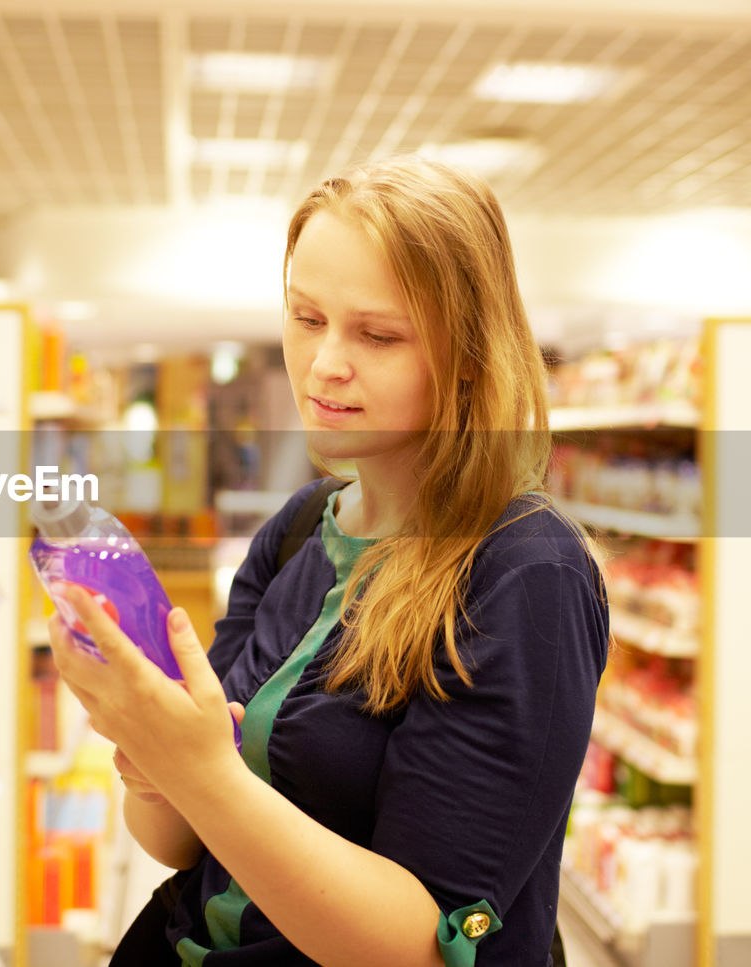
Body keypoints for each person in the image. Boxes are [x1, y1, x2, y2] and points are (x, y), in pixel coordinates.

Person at [48, 155, 609, 967]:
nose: (324, 364)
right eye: (307, 318)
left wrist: (203, 769)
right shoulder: (300, 528)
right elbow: (177, 843)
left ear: (470, 356)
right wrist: (153, 760)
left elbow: (425, 945)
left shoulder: (525, 573)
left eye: (376, 334)